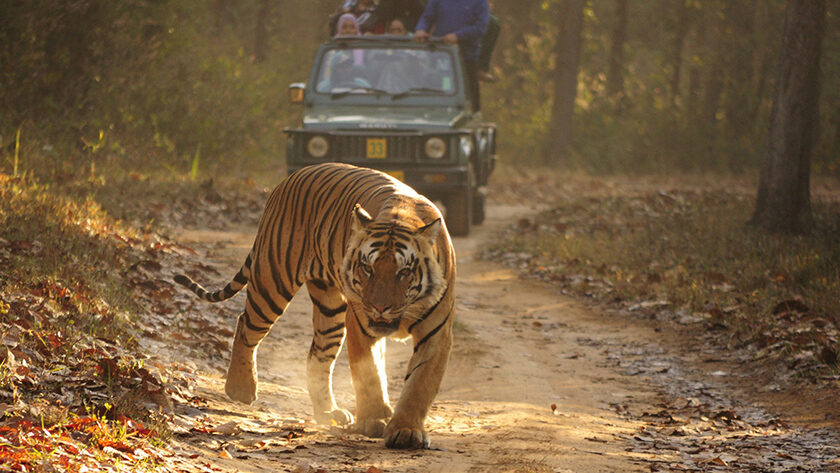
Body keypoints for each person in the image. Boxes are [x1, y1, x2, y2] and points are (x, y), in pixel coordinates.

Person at [414, 0, 489, 109]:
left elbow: (481, 27)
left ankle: (473, 117)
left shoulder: (479, 2)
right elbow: (427, 17)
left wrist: (458, 36)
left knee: (469, 97)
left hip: (465, 57)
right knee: (441, 89)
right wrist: (420, 29)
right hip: (441, 55)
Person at [359, 0, 427, 34]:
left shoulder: (417, 5)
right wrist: (368, 31)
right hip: (388, 40)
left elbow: (424, 22)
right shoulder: (386, 3)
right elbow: (376, 18)